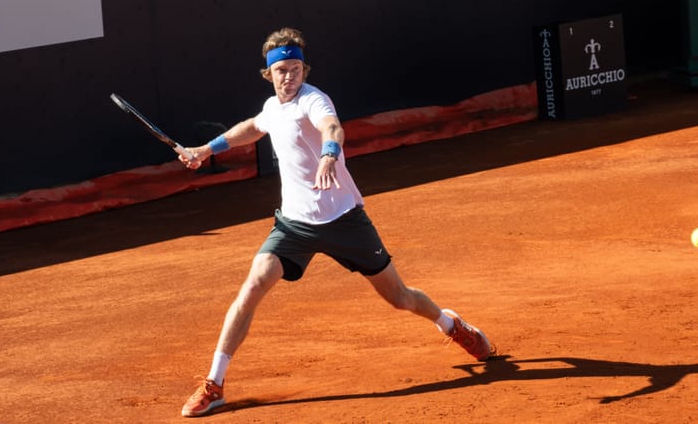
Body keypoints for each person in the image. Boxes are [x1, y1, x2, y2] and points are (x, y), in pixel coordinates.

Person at [179, 27, 495, 417]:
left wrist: (330, 154)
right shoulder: (272, 108)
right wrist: (205, 150)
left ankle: (450, 324)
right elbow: (253, 127)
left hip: (344, 219)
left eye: (296, 69)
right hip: (294, 226)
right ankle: (215, 383)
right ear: (269, 74)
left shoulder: (315, 100)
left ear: (304, 71)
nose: (289, 76)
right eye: (282, 71)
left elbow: (332, 127)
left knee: (399, 297)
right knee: (252, 287)